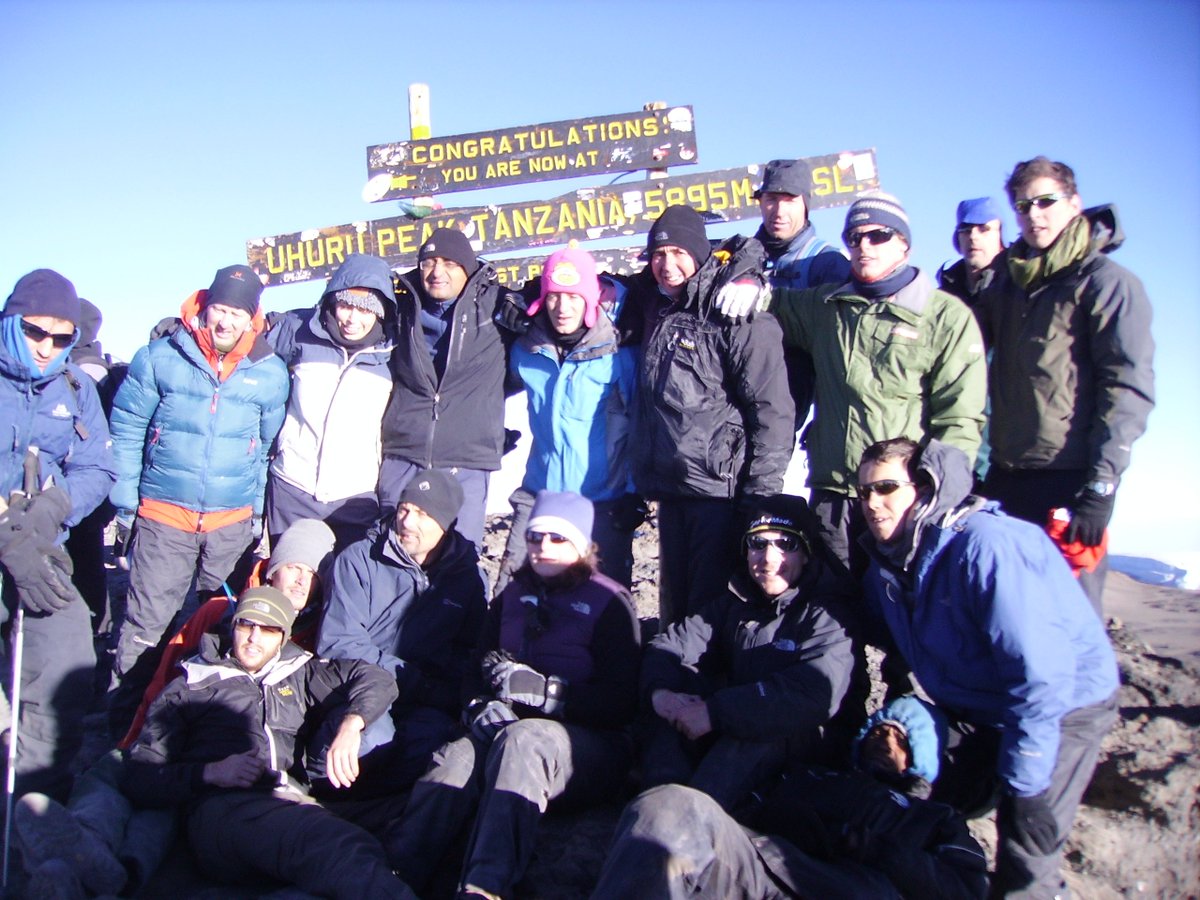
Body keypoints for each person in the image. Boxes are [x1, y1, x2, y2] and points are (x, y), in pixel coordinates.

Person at [13, 519, 337, 898]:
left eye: (313, 575)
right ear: (273, 568)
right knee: (114, 774)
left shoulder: (318, 631)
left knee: (163, 808)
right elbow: (166, 677)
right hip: (174, 733)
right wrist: (135, 740)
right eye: (294, 568)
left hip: (229, 764)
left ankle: (106, 873)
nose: (301, 582)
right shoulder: (220, 611)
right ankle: (83, 843)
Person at [857, 437, 1119, 897]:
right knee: (907, 785)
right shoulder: (893, 562)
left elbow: (1041, 677)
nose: (872, 503)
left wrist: (1026, 784)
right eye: (864, 492)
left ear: (925, 488)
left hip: (1061, 708)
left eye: (886, 487)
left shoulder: (986, 548)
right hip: (983, 706)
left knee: (1026, 847)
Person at [388, 491, 641, 899]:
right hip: (508, 729)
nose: (543, 547)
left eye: (558, 538)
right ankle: (393, 877)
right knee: (455, 760)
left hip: (587, 747)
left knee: (525, 741)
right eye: (535, 537)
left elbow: (621, 702)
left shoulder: (609, 602)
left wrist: (549, 693)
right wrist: (478, 706)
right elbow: (475, 668)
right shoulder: (511, 596)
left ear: (582, 544)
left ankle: (485, 886)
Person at [113, 586, 413, 898]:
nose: (254, 638)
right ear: (233, 626)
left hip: (294, 798)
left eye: (268, 629)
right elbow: (139, 776)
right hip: (225, 810)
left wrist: (352, 723)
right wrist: (210, 772)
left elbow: (377, 678)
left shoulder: (299, 673)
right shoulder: (190, 686)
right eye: (246, 625)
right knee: (339, 844)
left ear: (283, 637)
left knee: (418, 805)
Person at [749, 192, 987, 571]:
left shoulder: (945, 316)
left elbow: (960, 419)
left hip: (903, 500)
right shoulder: (825, 307)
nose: (864, 246)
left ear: (904, 244)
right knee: (834, 602)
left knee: (896, 603)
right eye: (854, 237)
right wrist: (745, 284)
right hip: (833, 497)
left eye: (878, 236)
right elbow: (771, 303)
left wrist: (937, 496)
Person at [106, 264, 289, 737]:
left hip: (231, 524)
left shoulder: (269, 372)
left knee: (223, 624)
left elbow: (266, 449)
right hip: (164, 514)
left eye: (237, 314)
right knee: (147, 625)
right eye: (219, 310)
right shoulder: (160, 357)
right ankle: (123, 729)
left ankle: (200, 728)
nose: (225, 321)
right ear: (204, 308)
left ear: (253, 319)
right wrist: (125, 504)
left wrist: (255, 514)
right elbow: (127, 429)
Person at [975, 157, 1155, 614]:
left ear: (1074, 203)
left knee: (1070, 621)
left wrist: (1101, 486)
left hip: (1069, 481)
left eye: (1045, 201)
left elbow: (1127, 388)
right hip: (1006, 478)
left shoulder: (1106, 284)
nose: (1033, 214)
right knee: (1009, 617)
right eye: (1022, 206)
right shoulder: (1007, 285)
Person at [591, 693, 988, 900]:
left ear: (922, 755)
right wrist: (781, 818)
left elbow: (967, 891)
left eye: (900, 739)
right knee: (671, 804)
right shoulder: (815, 774)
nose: (884, 741)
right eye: (879, 731)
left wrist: (877, 850)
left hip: (858, 889)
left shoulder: (936, 818)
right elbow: (740, 817)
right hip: (768, 869)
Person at [626, 204, 794, 627]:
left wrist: (759, 499)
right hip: (671, 491)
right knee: (674, 612)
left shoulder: (736, 312)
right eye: (659, 254)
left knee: (711, 616)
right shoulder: (657, 304)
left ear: (699, 253)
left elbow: (772, 413)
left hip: (720, 495)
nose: (668, 265)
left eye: (679, 253)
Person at [639, 496, 860, 810]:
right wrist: (661, 694)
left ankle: (693, 814)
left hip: (810, 739)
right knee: (673, 708)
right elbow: (670, 645)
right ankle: (658, 802)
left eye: (785, 544)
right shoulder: (736, 601)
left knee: (755, 736)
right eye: (758, 544)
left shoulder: (828, 613)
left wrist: (716, 712)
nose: (769, 558)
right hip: (738, 718)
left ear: (807, 553)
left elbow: (810, 696)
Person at [0, 269, 116, 802]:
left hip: (43, 546)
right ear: (11, 321)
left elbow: (98, 466)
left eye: (62, 337)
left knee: (67, 662)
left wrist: (56, 508)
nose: (47, 346)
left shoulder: (75, 388)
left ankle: (36, 799)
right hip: (9, 541)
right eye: (35, 331)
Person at [317, 468, 487, 795]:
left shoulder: (468, 578)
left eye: (422, 514)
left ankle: (387, 812)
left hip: (426, 700)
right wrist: (410, 679)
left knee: (438, 744)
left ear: (446, 523)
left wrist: (443, 691)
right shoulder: (359, 560)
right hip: (361, 690)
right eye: (404, 509)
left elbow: (470, 651)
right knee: (371, 742)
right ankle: (320, 798)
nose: (407, 521)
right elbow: (340, 642)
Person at [499, 242, 641, 590]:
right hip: (539, 494)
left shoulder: (619, 354)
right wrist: (489, 434)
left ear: (590, 299)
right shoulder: (526, 349)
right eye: (554, 297)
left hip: (602, 502)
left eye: (574, 297)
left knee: (604, 602)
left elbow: (643, 424)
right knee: (510, 596)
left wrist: (634, 491)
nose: (563, 308)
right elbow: (484, 390)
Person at [378, 228, 523, 548]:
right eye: (429, 262)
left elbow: (551, 316)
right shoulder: (402, 309)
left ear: (467, 269)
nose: (437, 271)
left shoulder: (495, 308)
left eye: (450, 263)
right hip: (403, 455)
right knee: (392, 555)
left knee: (458, 559)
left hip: (465, 461)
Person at [265, 253, 397, 550]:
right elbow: (247, 338)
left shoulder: (393, 354)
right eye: (345, 305)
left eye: (365, 310)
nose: (352, 319)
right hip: (293, 488)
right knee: (288, 574)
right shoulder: (300, 332)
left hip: (355, 497)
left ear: (381, 312)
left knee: (346, 577)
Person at [753, 158, 852, 426]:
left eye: (790, 200)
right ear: (760, 202)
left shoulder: (828, 263)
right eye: (772, 199)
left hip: (790, 404)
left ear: (806, 204)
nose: (779, 211)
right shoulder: (740, 257)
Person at [937, 197, 1007, 305]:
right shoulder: (943, 298)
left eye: (983, 229)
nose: (973, 236)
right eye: (965, 230)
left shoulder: (1017, 287)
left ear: (1000, 235)